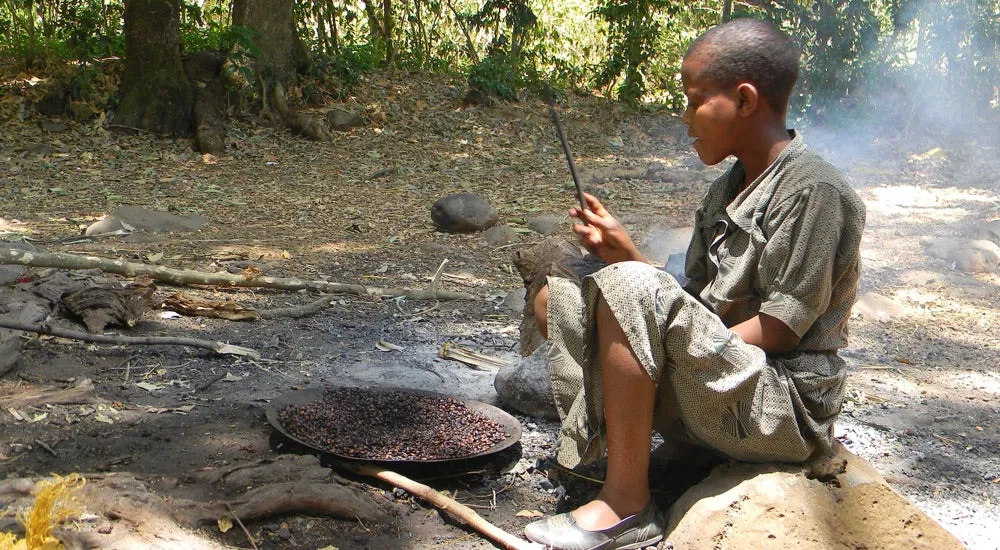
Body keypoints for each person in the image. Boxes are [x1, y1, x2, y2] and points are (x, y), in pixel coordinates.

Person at [523, 17, 866, 550]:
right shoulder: (728, 189)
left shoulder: (813, 191)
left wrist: (665, 334)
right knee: (556, 299)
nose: (686, 118)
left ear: (746, 101)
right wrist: (628, 255)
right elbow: (694, 306)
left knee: (632, 291)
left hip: (782, 409)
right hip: (728, 381)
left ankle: (626, 507)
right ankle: (675, 452)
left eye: (695, 100)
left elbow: (779, 331)